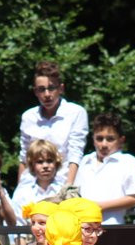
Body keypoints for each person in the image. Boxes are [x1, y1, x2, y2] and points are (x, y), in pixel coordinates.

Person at [18, 60, 88, 188]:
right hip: (33, 184)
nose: (47, 95)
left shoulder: (76, 112)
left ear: (61, 88)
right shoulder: (28, 117)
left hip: (62, 182)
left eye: (51, 88)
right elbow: (24, 157)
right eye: (41, 89)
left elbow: (75, 153)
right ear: (35, 92)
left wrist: (68, 187)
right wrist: (20, 188)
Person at [73, 112, 135, 225]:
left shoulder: (126, 161)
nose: (104, 144)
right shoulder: (86, 160)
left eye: (110, 139)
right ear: (93, 139)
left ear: (121, 140)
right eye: (99, 139)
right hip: (81, 226)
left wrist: (99, 206)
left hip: (111, 225)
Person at [5, 139, 64, 225]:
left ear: (56, 163)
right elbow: (18, 225)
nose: (45, 166)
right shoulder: (22, 192)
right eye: (40, 162)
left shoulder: (63, 191)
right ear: (32, 165)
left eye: (49, 161)